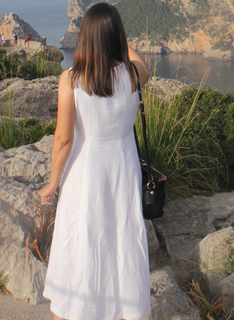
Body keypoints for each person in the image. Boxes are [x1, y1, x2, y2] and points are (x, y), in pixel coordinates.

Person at [38, 3, 151, 320]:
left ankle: (77, 306)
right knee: (122, 236)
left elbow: (63, 138)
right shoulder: (132, 75)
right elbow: (145, 66)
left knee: (82, 236)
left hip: (85, 170)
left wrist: (51, 183)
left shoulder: (71, 80)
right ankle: (123, 308)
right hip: (123, 167)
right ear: (116, 37)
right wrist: (121, 43)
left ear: (85, 38)